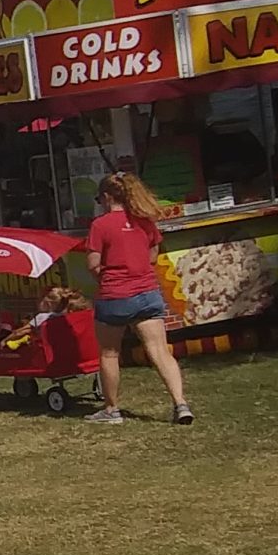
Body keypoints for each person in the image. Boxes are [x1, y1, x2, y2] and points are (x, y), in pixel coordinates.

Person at [86, 172, 193, 425]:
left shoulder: (100, 225)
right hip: (148, 293)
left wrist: (106, 277)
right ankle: (180, 404)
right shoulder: (145, 221)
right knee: (159, 351)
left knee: (110, 353)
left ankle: (111, 410)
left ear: (106, 197)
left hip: (115, 296)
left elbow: (93, 263)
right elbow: (153, 254)